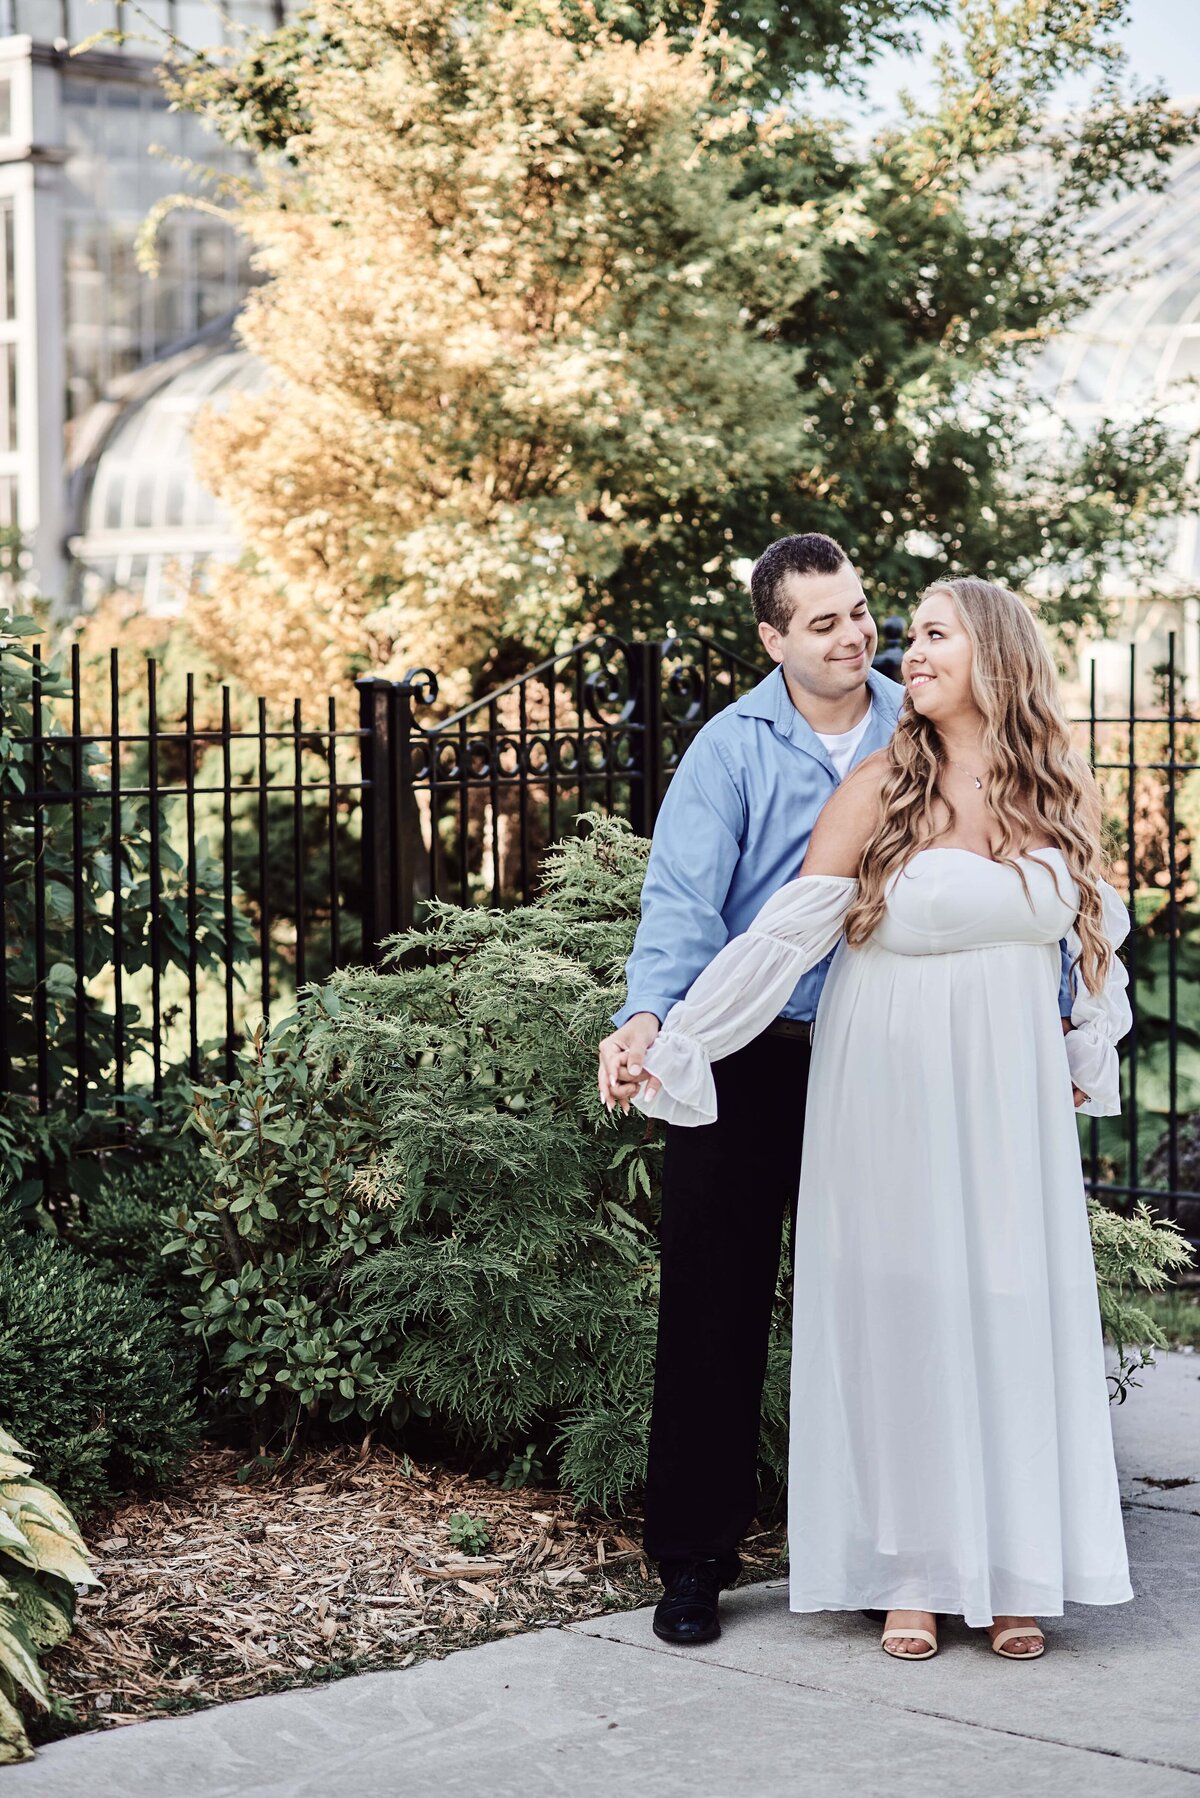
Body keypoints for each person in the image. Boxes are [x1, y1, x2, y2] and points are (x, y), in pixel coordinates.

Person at [627, 575, 1134, 1661]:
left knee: (1004, 1303)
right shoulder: (841, 773)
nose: (889, 642)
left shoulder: (1047, 782)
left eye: (920, 630)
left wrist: (1085, 1042)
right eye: (848, 623)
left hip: (1003, 1100)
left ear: (993, 656)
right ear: (776, 638)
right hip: (863, 1075)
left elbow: (1091, 932)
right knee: (866, 1309)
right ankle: (855, 1564)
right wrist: (669, 1032)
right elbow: (769, 929)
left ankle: (1011, 1567)